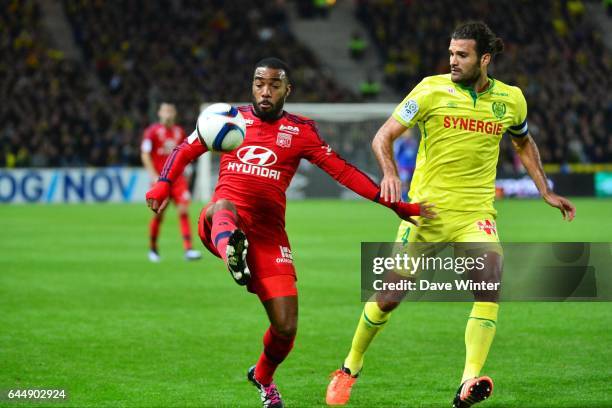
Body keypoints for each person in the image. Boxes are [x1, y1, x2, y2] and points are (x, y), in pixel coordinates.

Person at [145, 57, 435, 408]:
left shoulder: (301, 132)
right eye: (258, 83)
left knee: (285, 329)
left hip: (269, 236)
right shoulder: (226, 118)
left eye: (273, 85)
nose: (265, 91)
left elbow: (343, 171)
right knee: (223, 208)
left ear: (287, 89)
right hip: (224, 221)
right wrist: (163, 184)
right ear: (252, 85)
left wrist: (396, 205)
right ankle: (232, 255)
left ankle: (263, 377)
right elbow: (185, 149)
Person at [326, 22, 576, 408]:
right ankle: (348, 368)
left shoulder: (511, 100)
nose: (453, 61)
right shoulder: (430, 89)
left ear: (484, 59)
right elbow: (383, 135)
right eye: (451, 54)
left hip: (475, 212)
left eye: (462, 55)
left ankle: (468, 382)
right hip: (425, 214)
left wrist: (544, 189)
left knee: (489, 284)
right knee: (389, 296)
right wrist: (390, 172)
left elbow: (523, 142)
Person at [141, 102, 202, 262]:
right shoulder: (152, 132)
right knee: (159, 214)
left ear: (174, 114)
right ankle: (153, 249)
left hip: (178, 180)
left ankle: (188, 249)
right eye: (165, 111)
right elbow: (145, 154)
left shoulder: (179, 131)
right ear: (159, 113)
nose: (167, 114)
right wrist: (153, 175)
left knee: (183, 210)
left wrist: (187, 174)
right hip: (160, 180)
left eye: (170, 111)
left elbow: (186, 154)